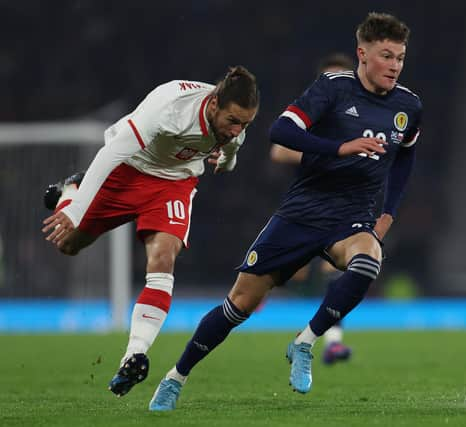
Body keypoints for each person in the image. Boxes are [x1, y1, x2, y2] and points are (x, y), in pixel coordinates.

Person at [148, 12, 421, 411]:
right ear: (362, 54)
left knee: (369, 261)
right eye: (386, 56)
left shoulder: (408, 105)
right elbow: (280, 131)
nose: (395, 66)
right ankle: (175, 378)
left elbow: (406, 158)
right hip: (302, 212)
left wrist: (389, 212)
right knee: (239, 304)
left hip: (352, 217)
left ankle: (305, 342)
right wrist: (339, 147)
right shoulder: (331, 89)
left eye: (400, 57)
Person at [41, 66, 260, 397]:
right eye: (233, 121)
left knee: (163, 258)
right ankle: (71, 188)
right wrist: (75, 207)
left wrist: (226, 162)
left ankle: (134, 355)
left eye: (245, 124)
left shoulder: (234, 127)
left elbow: (231, 152)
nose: (238, 129)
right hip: (130, 170)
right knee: (69, 244)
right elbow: (111, 154)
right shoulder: (171, 104)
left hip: (173, 183)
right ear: (214, 105)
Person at [269, 52, 356, 365]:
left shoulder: (365, 116)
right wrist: (330, 154)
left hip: (345, 206)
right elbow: (279, 151)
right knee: (281, 276)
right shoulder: (311, 114)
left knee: (338, 271)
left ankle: (332, 342)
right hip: (305, 206)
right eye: (328, 78)